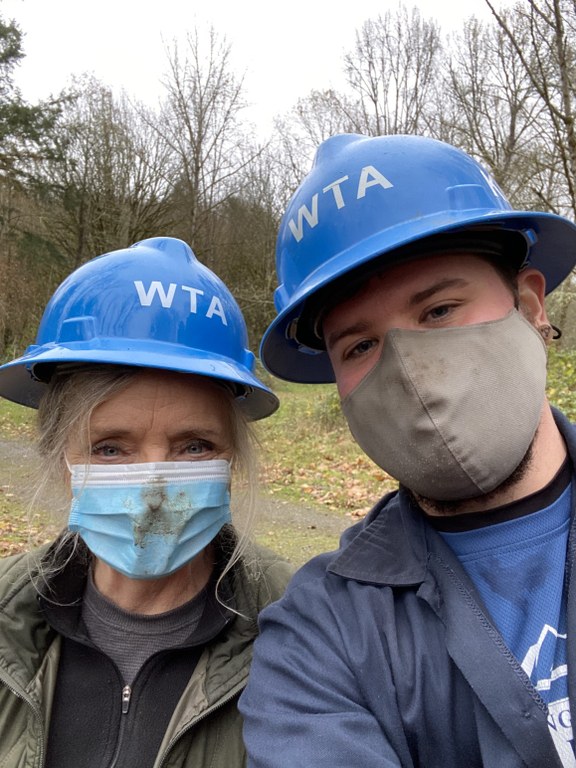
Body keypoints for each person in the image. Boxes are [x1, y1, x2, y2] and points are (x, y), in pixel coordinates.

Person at [239, 133, 576, 767]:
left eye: (440, 309)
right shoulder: (320, 635)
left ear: (531, 306)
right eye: (360, 346)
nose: (410, 371)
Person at [0, 236, 292, 768]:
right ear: (62, 459)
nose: (155, 492)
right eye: (110, 448)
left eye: (194, 446)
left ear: (231, 461)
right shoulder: (6, 614)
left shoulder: (301, 625)